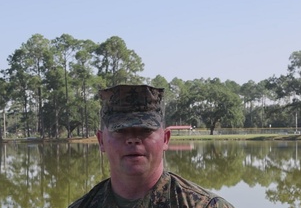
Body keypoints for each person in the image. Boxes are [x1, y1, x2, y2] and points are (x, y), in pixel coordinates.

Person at [68, 84, 235, 208]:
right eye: (120, 131)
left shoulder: (205, 206)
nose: (133, 139)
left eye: (145, 130)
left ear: (165, 139)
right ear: (101, 141)